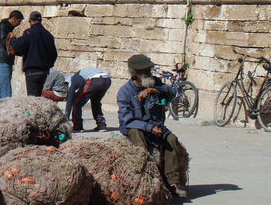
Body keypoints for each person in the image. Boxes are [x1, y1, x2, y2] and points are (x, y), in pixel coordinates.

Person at [117, 54, 188, 199]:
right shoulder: (125, 92)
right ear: (134, 74)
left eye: (149, 70)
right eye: (144, 72)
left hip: (156, 126)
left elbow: (171, 92)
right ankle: (144, 177)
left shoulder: (155, 83)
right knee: (137, 134)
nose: (149, 74)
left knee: (172, 140)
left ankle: (173, 183)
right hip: (137, 128)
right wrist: (148, 128)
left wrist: (154, 90)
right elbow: (127, 120)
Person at [8, 11, 58, 97]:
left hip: (32, 72)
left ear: (30, 20)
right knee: (38, 96)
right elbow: (54, 54)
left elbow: (18, 46)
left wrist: (12, 39)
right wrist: (48, 65)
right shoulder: (48, 35)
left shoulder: (29, 33)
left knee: (32, 99)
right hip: (44, 71)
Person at [65, 67, 112, 131]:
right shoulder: (81, 76)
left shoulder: (72, 79)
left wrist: (66, 118)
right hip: (107, 80)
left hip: (95, 80)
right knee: (95, 102)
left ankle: (78, 126)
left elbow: (70, 100)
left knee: (76, 103)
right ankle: (101, 125)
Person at [0, 10, 24, 99]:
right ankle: (5, 105)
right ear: (14, 18)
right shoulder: (4, 26)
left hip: (5, 59)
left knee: (3, 84)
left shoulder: (6, 27)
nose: (18, 24)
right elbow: (5, 42)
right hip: (4, 59)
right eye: (18, 22)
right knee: (5, 86)